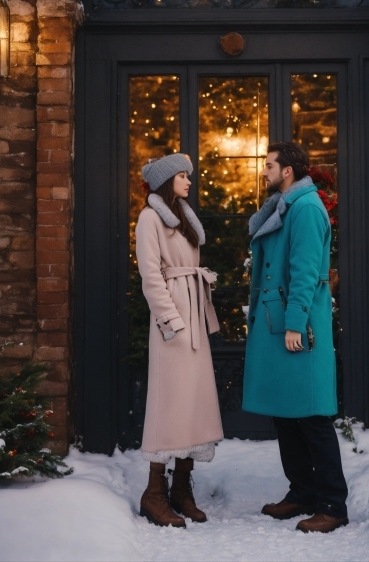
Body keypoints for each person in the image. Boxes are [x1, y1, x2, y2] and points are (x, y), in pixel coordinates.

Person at [242, 141, 348, 533]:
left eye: (269, 165)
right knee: (287, 414)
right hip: (278, 319)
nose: (265, 171)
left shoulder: (304, 209)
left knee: (313, 415)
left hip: (296, 322)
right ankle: (302, 492)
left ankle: (334, 505)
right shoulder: (287, 206)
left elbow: (305, 272)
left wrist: (295, 323)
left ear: (287, 170)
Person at [135, 153, 223, 528]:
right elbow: (151, 276)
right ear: (166, 181)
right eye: (182, 176)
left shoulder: (184, 217)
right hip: (173, 320)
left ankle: (181, 488)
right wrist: (170, 319)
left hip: (195, 316)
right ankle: (154, 493)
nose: (189, 181)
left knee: (194, 400)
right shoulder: (149, 218)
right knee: (169, 402)